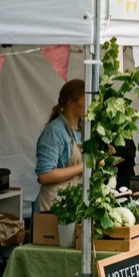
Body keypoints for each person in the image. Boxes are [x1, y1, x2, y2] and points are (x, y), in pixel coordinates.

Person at [35, 79, 85, 212]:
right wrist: (82, 167)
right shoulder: (55, 131)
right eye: (85, 100)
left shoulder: (82, 128)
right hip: (53, 208)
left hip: (72, 205)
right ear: (71, 103)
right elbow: (45, 175)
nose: (90, 105)